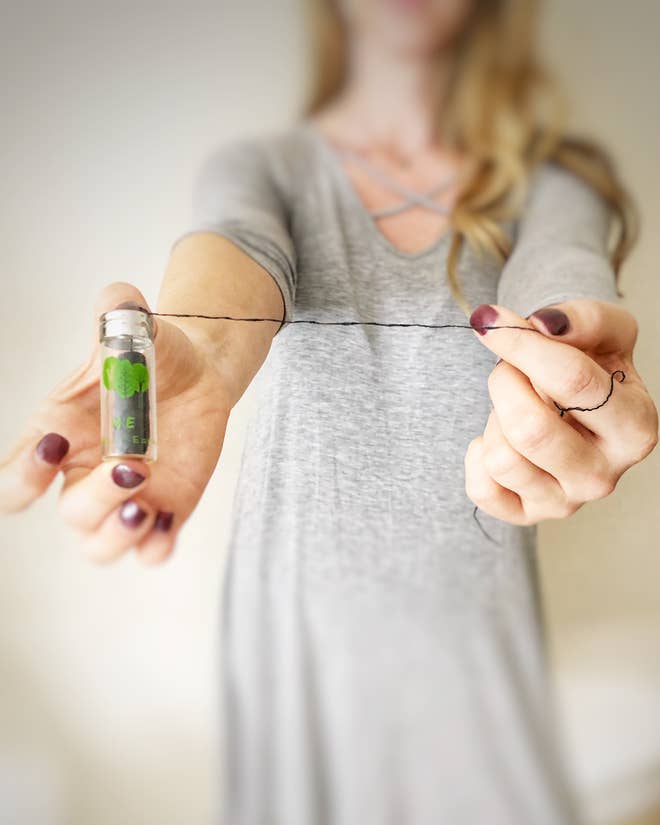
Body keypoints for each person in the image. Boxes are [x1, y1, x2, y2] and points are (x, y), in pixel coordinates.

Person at [1, 0, 658, 822]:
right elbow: (234, 252)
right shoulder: (264, 165)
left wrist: (576, 366)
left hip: (468, 629)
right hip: (294, 631)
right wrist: (199, 352)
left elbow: (565, 275)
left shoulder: (555, 179)